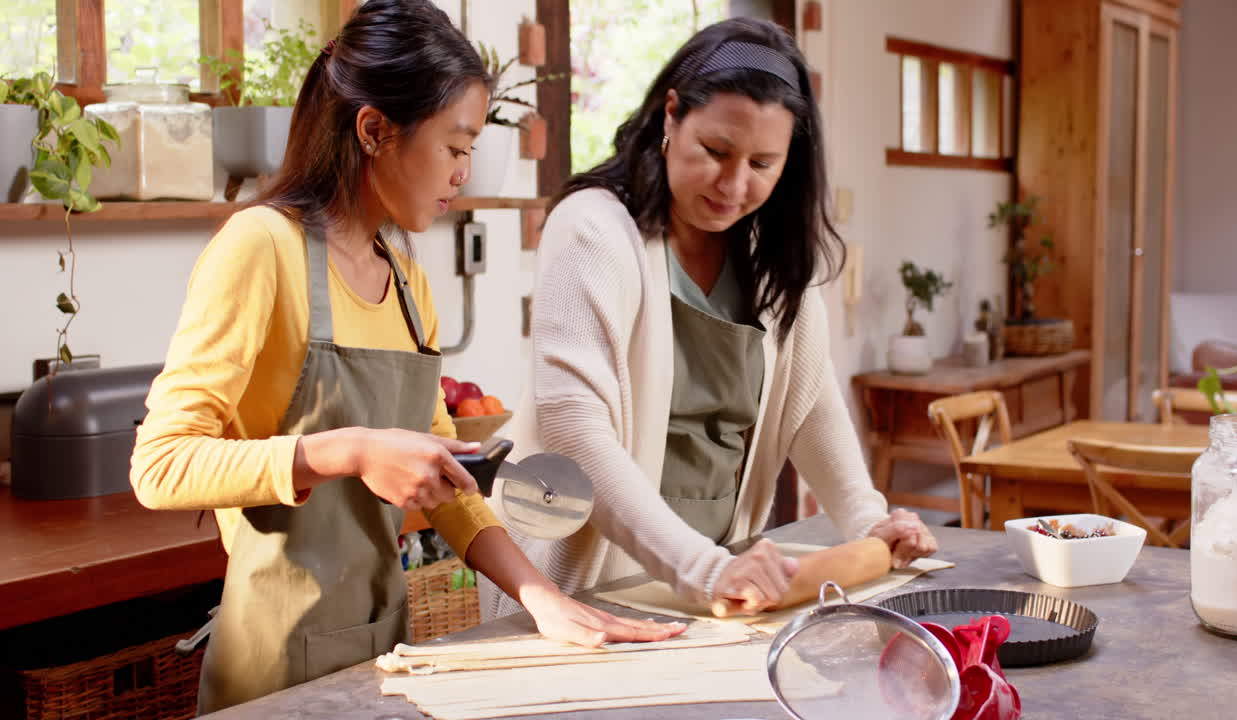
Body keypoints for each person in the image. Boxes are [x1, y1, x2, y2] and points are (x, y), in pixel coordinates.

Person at [129, 0, 681, 713]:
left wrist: (541, 596)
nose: (464, 170)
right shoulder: (260, 246)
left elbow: (448, 481)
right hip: (270, 670)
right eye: (454, 146)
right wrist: (349, 449)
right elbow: (160, 465)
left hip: (383, 651)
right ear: (374, 131)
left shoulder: (410, 282)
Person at [484, 17, 938, 620]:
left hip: (711, 591)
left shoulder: (768, 261)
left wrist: (872, 521)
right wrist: (703, 568)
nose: (734, 184)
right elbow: (575, 428)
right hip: (580, 592)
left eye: (762, 164)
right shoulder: (593, 229)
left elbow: (810, 407)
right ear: (671, 117)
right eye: (717, 152)